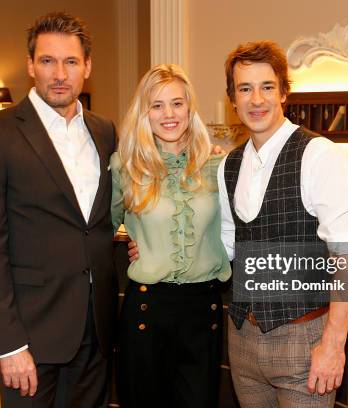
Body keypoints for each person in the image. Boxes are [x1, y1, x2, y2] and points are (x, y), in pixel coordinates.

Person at [0, 12, 117, 408]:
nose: (59, 73)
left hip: (95, 330)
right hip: (31, 336)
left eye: (70, 61)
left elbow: (99, 222)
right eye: (47, 61)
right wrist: (8, 343)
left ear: (87, 67)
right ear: (30, 66)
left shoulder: (104, 131)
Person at [219, 40, 348, 407]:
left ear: (284, 92)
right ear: (232, 99)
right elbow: (223, 250)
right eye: (245, 89)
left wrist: (333, 345)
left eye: (267, 87)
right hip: (242, 341)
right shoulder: (229, 165)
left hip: (305, 343)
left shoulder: (320, 156)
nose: (256, 100)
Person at [110, 64, 231, 408]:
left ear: (190, 109)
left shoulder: (216, 165)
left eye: (177, 103)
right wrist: (140, 244)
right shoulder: (125, 166)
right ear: (144, 113)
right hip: (147, 310)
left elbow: (237, 227)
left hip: (202, 309)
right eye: (157, 105)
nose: (168, 114)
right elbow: (98, 231)